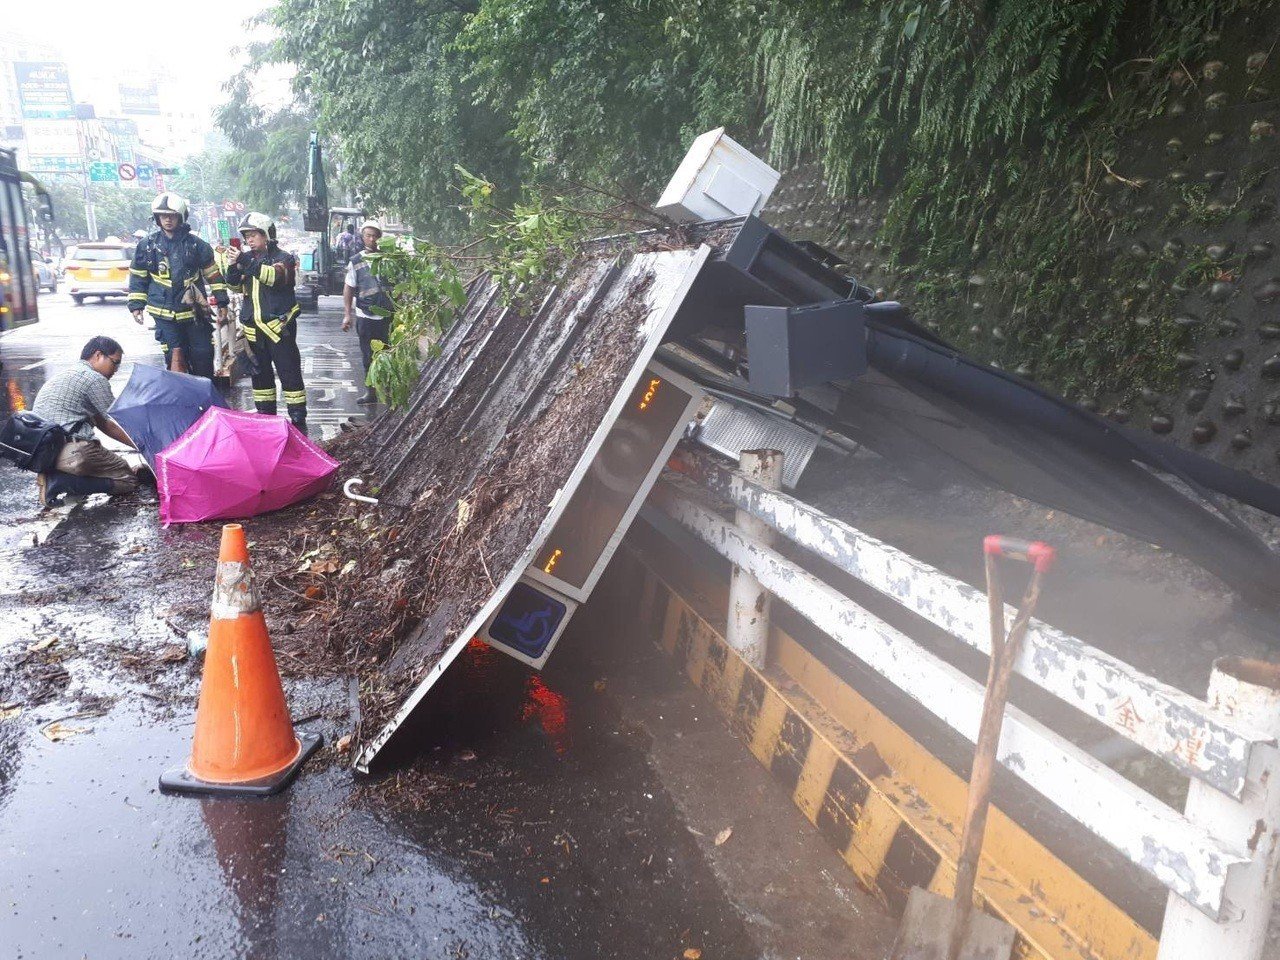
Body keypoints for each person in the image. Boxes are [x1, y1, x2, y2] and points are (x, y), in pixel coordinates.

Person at [128, 193, 230, 378]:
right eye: (162, 215)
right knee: (175, 359)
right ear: (156, 218)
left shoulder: (197, 245)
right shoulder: (147, 246)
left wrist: (222, 301)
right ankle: (182, 401)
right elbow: (138, 277)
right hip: (164, 314)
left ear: (181, 216)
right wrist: (136, 306)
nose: (167, 219)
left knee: (203, 355)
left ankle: (205, 400)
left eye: (172, 215)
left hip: (194, 313)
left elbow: (213, 274)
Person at [31, 336, 141, 505]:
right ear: (98, 355)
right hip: (73, 451)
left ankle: (60, 475)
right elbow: (115, 421)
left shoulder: (70, 374)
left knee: (110, 468)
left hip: (44, 452)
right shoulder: (94, 379)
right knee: (128, 481)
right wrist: (143, 445)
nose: (116, 369)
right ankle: (60, 482)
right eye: (115, 362)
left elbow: (103, 424)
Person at [225, 212, 308, 431]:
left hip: (279, 330)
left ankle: (298, 420)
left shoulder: (284, 258)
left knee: (289, 374)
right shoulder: (247, 260)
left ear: (267, 235)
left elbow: (274, 277)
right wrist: (233, 266)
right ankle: (266, 417)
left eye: (254, 235)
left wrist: (245, 261)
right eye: (247, 236)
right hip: (254, 332)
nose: (249, 240)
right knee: (260, 378)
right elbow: (234, 287)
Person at [342, 220, 394, 405]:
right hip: (366, 315)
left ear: (379, 238)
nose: (371, 239)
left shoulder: (389, 259)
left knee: (388, 353)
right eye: (368, 235)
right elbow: (349, 288)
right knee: (367, 356)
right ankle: (370, 392)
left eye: (374, 236)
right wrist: (348, 314)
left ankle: (387, 390)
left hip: (387, 315)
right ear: (363, 237)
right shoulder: (356, 261)